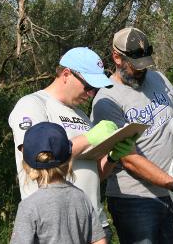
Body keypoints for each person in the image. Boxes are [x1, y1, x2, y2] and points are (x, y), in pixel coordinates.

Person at [8, 47, 135, 242]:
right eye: (88, 86)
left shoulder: (82, 116)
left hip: (93, 224)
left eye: (95, 89)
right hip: (53, 227)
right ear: (66, 74)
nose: (91, 94)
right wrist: (89, 138)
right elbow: (37, 157)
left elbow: (93, 175)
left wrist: (112, 156)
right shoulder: (33, 104)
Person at [90, 27, 173, 244]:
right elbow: (128, 158)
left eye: (145, 65)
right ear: (117, 57)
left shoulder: (159, 79)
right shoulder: (106, 100)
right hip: (135, 201)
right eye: (136, 67)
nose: (142, 71)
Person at [10, 122, 106, 244]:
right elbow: (99, 241)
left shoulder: (29, 206)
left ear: (27, 166)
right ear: (69, 159)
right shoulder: (82, 197)